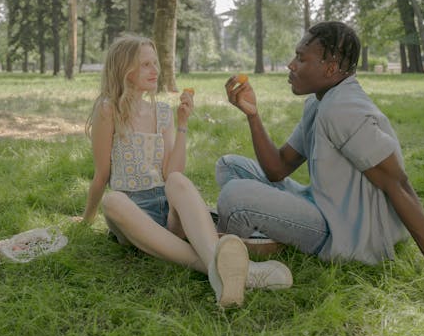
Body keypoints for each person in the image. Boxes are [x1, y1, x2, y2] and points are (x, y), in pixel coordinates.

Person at [216, 21, 424, 286]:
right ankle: (264, 236)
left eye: (302, 59)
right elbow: (278, 168)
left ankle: (233, 241)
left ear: (331, 68)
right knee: (229, 166)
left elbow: (397, 183)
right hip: (321, 205)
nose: (291, 65)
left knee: (235, 197)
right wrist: (252, 115)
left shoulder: (344, 110)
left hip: (345, 235)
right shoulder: (320, 103)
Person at [79, 35, 293, 308]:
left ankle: (222, 270)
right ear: (124, 70)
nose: (156, 70)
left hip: (167, 213)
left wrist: (182, 125)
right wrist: (87, 219)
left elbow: (172, 173)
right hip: (133, 216)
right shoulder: (108, 110)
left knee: (179, 180)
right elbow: (101, 175)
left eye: (155, 63)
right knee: (113, 200)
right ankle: (233, 271)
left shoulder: (163, 112)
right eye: (146, 64)